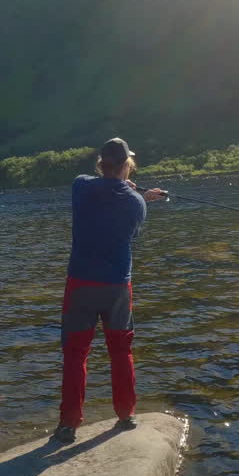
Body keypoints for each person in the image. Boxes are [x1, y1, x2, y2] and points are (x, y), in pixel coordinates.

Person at [54, 137, 167, 443]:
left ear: (101, 164)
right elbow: (126, 214)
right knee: (121, 350)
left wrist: (127, 186)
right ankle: (126, 415)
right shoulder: (136, 203)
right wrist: (139, 194)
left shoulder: (81, 187)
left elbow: (95, 183)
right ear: (128, 165)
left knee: (76, 354)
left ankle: (68, 425)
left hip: (80, 285)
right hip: (117, 286)